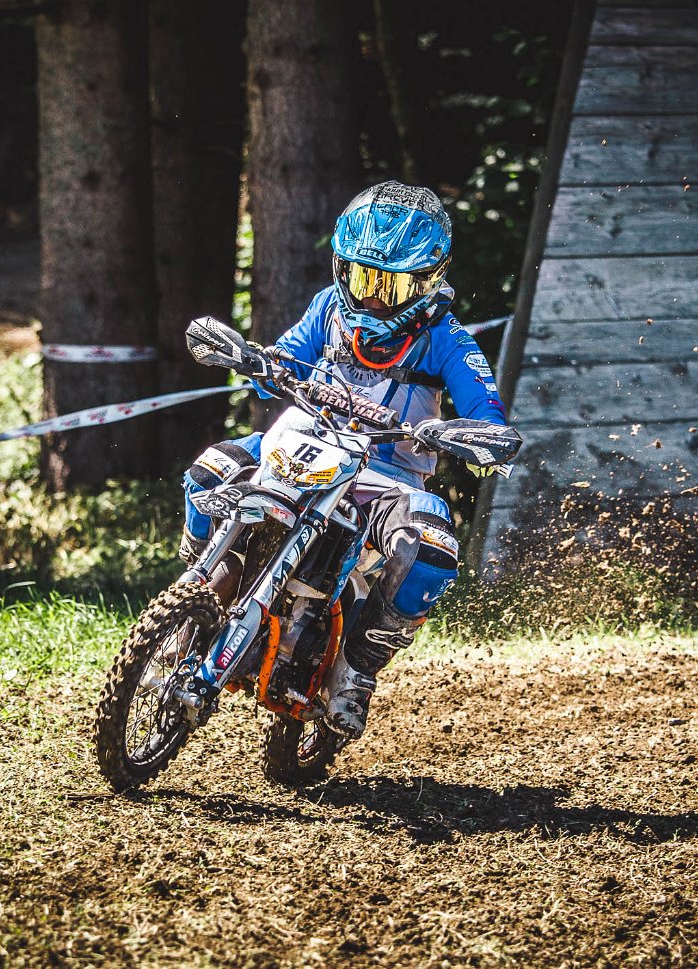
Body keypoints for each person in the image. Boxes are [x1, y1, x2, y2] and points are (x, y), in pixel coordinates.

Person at [180, 181, 512, 739]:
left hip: (387, 476)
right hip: (302, 442)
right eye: (362, 278)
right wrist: (260, 364)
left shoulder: (448, 340)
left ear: (428, 281)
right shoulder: (328, 309)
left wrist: (468, 435)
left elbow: (489, 417)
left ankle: (357, 669)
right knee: (208, 471)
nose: (372, 299)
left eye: (390, 285)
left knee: (432, 549)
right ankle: (197, 594)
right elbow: (283, 362)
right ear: (342, 269)